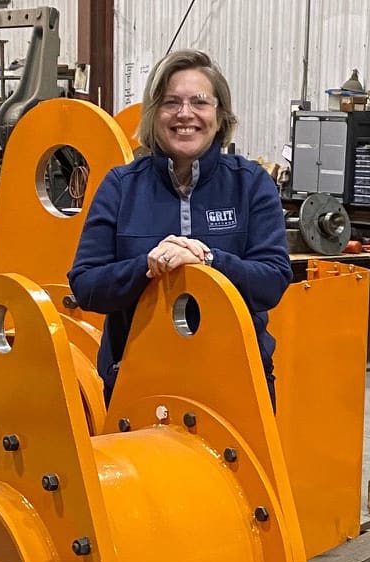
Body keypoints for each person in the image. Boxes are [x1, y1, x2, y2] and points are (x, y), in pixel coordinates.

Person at [67, 49, 292, 409]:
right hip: (136, 380)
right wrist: (148, 265)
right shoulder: (121, 187)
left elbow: (272, 280)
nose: (185, 114)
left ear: (220, 115)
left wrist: (208, 261)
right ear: (153, 115)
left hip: (237, 379)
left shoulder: (250, 184)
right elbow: (86, 285)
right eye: (171, 102)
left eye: (199, 102)